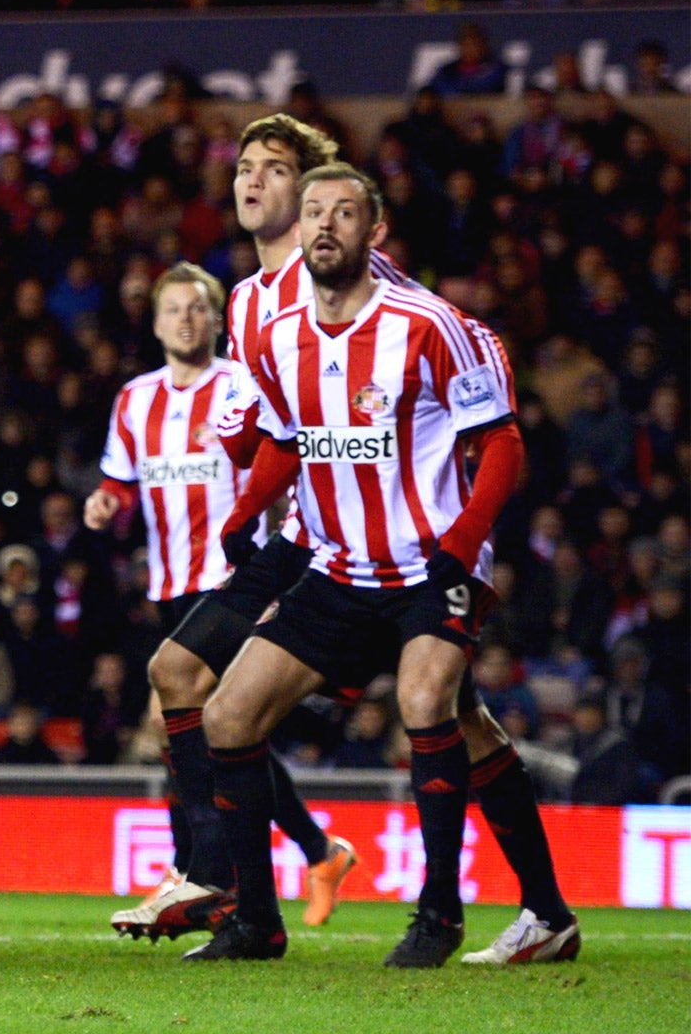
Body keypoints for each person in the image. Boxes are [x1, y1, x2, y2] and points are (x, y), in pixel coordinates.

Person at [214, 116, 578, 962]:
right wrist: (242, 516)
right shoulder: (276, 332)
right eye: (314, 214)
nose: (325, 227)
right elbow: (283, 438)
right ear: (297, 227)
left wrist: (464, 543)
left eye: (344, 213)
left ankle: (440, 914)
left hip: (429, 560)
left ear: (374, 230)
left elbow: (504, 442)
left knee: (424, 702)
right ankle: (255, 923)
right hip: (340, 568)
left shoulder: (425, 322)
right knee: (229, 713)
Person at [93, 250, 355, 942]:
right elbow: (122, 482)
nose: (187, 318)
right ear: (154, 323)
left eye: (199, 307)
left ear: (216, 318)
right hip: (171, 585)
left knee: (181, 721)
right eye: (174, 308)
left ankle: (201, 870)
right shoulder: (135, 400)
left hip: (236, 581)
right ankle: (312, 851)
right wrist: (105, 503)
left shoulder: (242, 387)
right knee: (218, 731)